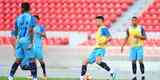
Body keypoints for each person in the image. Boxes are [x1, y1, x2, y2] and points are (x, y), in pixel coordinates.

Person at [80, 16, 117, 80]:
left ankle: (112, 72)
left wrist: (103, 42)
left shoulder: (103, 28)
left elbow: (110, 37)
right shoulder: (99, 30)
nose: (96, 22)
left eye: (97, 21)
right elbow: (99, 40)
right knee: (85, 61)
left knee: (98, 61)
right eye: (96, 21)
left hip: (101, 48)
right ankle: (82, 77)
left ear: (101, 21)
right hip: (96, 49)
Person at [8, 2, 37, 80]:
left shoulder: (18, 18)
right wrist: (31, 42)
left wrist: (15, 43)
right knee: (32, 59)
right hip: (27, 40)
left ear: (22, 8)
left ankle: (10, 76)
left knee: (18, 59)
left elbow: (15, 32)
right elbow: (31, 30)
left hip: (19, 40)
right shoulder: (32, 18)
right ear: (29, 8)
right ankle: (34, 77)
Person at [33, 15, 47, 79]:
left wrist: (39, 33)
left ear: (38, 20)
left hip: (38, 46)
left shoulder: (41, 27)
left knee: (41, 60)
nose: (34, 20)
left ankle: (44, 73)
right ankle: (33, 75)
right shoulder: (30, 27)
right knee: (32, 61)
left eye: (35, 19)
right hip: (31, 46)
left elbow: (45, 36)